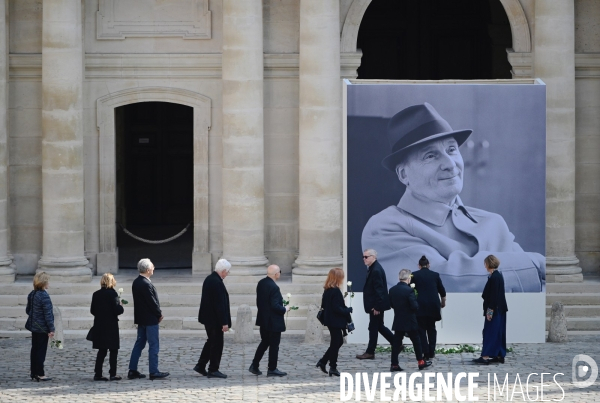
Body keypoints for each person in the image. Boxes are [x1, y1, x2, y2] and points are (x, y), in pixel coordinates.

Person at [362, 102, 545, 292]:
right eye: (430, 156)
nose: (450, 164)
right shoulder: (383, 228)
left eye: (451, 150)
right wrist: (534, 262)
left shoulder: (493, 222)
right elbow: (444, 282)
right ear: (403, 174)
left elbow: (540, 289)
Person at [127, 258, 169, 380]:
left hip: (141, 319)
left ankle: (132, 369)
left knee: (139, 343)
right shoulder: (146, 283)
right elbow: (152, 302)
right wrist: (159, 314)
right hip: (150, 319)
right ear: (147, 270)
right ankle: (154, 371)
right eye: (152, 267)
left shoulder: (136, 282)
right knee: (154, 345)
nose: (153, 268)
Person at [249, 264, 289, 377]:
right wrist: (285, 309)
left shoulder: (261, 283)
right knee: (274, 346)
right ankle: (272, 368)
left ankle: (254, 365)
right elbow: (275, 306)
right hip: (273, 322)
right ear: (276, 274)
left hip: (263, 319)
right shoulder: (274, 287)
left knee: (264, 342)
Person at [194, 259, 232, 379]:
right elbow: (219, 305)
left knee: (211, 342)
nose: (227, 274)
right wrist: (224, 322)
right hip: (214, 320)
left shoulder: (210, 278)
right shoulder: (216, 282)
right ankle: (213, 369)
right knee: (217, 344)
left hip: (209, 318)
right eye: (228, 272)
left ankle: (201, 365)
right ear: (223, 271)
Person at [389, 269, 432, 371]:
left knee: (396, 343)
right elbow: (414, 306)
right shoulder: (409, 291)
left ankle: (394, 364)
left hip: (398, 319)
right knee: (416, 341)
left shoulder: (392, 290)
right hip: (410, 320)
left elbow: (391, 304)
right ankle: (420, 362)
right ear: (408, 279)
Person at [356, 249, 394, 360]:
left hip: (375, 306)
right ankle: (396, 343)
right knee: (378, 326)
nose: (364, 259)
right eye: (363, 257)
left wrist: (377, 306)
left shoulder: (376, 270)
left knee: (374, 327)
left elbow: (380, 290)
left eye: (366, 257)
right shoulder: (374, 268)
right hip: (375, 305)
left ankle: (370, 352)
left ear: (373, 257)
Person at [316, 268, 353, 377]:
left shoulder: (327, 289)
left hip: (330, 320)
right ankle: (332, 367)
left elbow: (325, 305)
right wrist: (348, 310)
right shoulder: (335, 291)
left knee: (338, 342)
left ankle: (323, 361)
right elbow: (337, 308)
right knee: (336, 342)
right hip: (335, 321)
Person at [473, 255, 508, 364]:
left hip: (495, 310)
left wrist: (489, 312)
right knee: (499, 332)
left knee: (490, 332)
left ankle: (485, 356)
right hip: (501, 309)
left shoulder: (494, 278)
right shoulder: (499, 275)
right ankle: (500, 355)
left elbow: (493, 297)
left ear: (488, 264)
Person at [89, 273, 125, 381]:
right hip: (111, 326)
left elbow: (92, 310)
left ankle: (98, 373)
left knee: (102, 351)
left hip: (99, 325)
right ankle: (113, 373)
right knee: (113, 350)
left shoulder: (96, 294)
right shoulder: (113, 294)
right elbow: (117, 310)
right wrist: (121, 306)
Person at [412, 255, 446, 360]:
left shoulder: (414, 275)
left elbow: (411, 290)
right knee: (431, 328)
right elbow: (441, 290)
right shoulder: (435, 275)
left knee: (421, 329)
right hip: (433, 305)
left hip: (420, 305)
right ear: (429, 265)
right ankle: (431, 352)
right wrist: (443, 301)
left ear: (419, 266)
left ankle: (425, 352)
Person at [25, 272, 55, 381]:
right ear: (43, 282)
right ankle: (40, 374)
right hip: (42, 328)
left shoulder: (32, 294)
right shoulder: (44, 296)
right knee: (41, 351)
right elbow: (48, 314)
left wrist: (35, 317)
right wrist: (51, 329)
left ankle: (34, 373)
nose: (49, 284)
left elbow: (28, 310)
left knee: (35, 350)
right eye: (47, 281)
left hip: (34, 326)